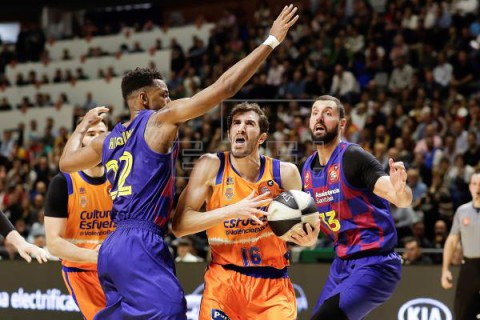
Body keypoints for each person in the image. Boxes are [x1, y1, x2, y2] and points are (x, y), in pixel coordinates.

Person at [58, 6, 299, 319]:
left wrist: (80, 127)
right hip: (141, 241)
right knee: (171, 311)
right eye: (165, 95)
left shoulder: (107, 140)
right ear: (144, 100)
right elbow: (224, 88)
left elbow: (65, 163)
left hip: (111, 247)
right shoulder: (159, 120)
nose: (169, 102)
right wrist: (271, 41)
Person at [173, 102, 319, 319]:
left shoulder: (285, 173)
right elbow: (179, 226)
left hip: (272, 286)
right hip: (224, 282)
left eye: (249, 123)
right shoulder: (210, 166)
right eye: (236, 123)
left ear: (261, 137)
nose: (240, 128)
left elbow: (309, 231)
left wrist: (309, 240)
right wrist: (232, 211)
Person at [302, 95, 412, 320]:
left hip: (376, 263)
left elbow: (400, 198)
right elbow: (312, 223)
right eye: (315, 112)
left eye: (328, 113)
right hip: (341, 263)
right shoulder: (307, 168)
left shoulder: (352, 157)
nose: (319, 118)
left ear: (342, 124)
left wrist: (400, 188)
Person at [44, 119, 114, 320]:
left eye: (103, 132)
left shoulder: (119, 177)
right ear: (79, 142)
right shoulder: (63, 182)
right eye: (91, 133)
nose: (99, 138)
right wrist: (97, 257)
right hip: (82, 271)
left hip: (119, 267)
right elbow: (54, 244)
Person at [441, 171, 480, 320]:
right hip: (469, 266)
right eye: (475, 184)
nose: (478, 188)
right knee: (462, 312)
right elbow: (451, 241)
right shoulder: (462, 211)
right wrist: (445, 270)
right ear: (470, 187)